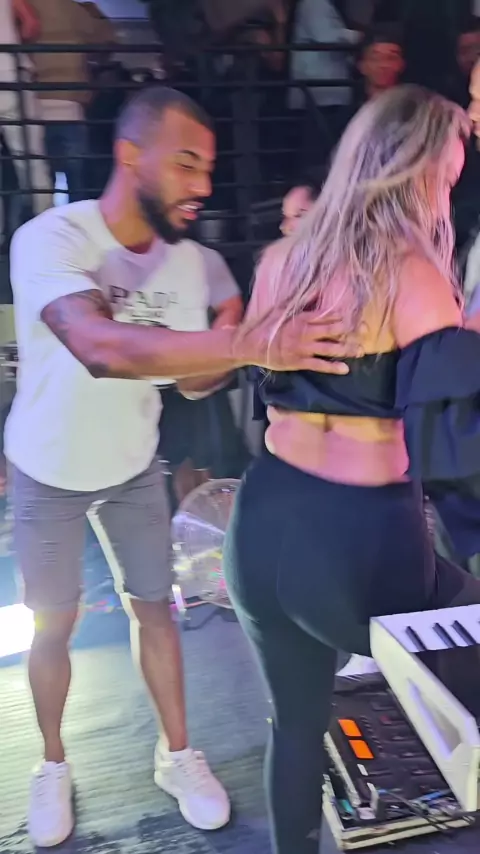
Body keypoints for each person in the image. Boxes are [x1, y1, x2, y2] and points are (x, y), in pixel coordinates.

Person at [4, 85, 349, 849]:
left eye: (210, 169)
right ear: (131, 155)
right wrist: (247, 342)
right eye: (187, 163)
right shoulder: (51, 238)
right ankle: (52, 763)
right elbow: (99, 348)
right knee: (53, 626)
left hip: (133, 464)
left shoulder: (199, 264)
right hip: (48, 467)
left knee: (155, 608)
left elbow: (194, 382)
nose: (203, 185)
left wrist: (240, 329)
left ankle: (178, 754)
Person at [223, 85, 480, 854]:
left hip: (263, 524)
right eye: (448, 175)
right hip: (359, 544)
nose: (449, 192)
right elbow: (451, 445)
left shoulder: (282, 259)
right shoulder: (412, 273)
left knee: (296, 724)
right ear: (418, 170)